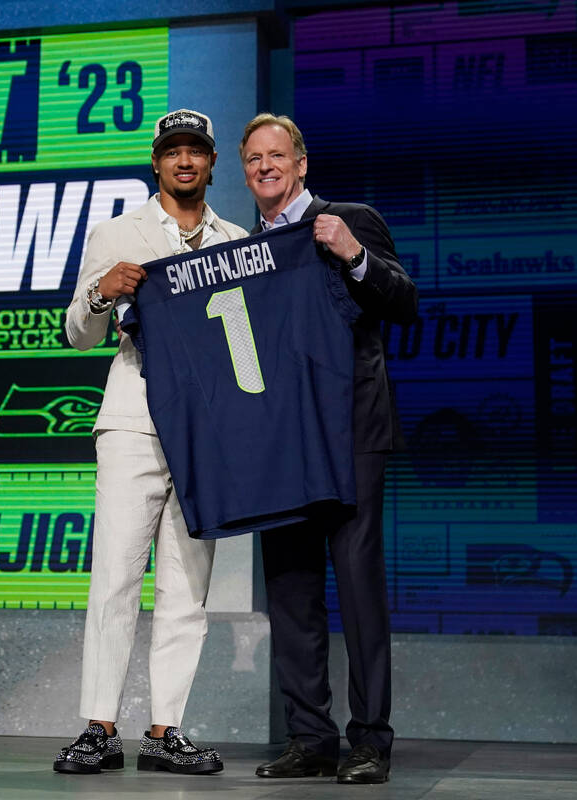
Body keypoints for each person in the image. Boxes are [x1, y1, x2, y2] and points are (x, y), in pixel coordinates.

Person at [52, 109, 248, 775]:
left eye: (196, 150)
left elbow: (246, 346)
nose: (184, 161)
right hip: (134, 420)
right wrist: (102, 295)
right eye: (173, 151)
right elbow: (77, 333)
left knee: (187, 588)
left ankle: (166, 731)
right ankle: (99, 726)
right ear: (156, 162)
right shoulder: (117, 233)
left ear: (213, 163)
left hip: (206, 431)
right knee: (113, 578)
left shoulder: (238, 240)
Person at [240, 113, 418, 784]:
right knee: (289, 590)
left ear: (301, 163)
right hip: (281, 444)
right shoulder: (242, 249)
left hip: (351, 435)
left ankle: (370, 739)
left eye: (276, 155)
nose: (265, 166)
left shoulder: (349, 220)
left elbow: (404, 303)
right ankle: (309, 739)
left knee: (359, 586)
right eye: (253, 158)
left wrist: (354, 254)